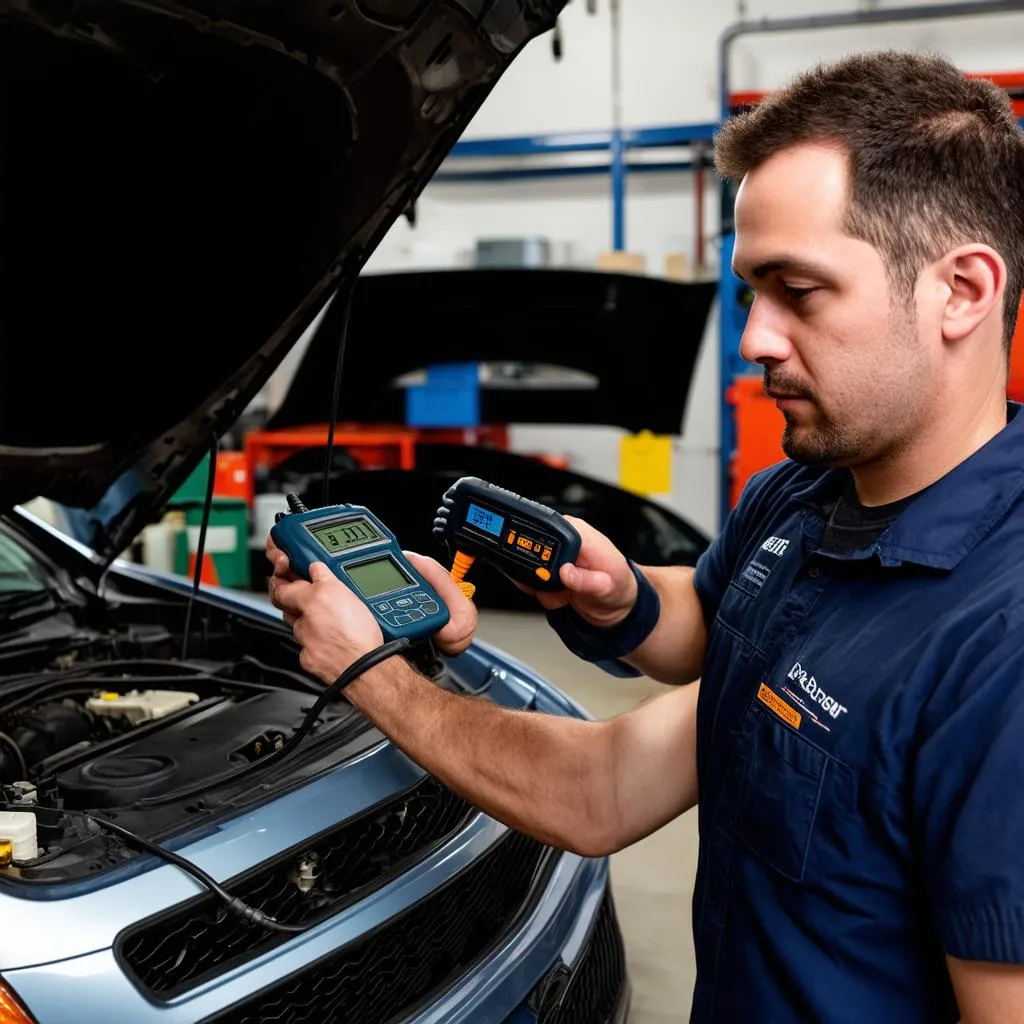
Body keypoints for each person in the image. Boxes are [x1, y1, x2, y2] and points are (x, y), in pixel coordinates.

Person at [267, 50, 1024, 1023]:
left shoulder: (996, 647)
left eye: (799, 290)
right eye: (753, 290)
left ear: (961, 290)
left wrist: (365, 668)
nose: (752, 339)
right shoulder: (803, 492)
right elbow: (620, 765)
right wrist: (622, 596)